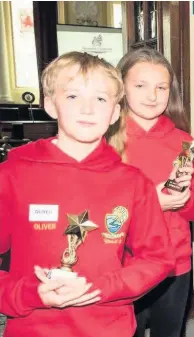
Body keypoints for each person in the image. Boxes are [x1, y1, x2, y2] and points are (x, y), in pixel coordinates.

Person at [0, 51, 173, 337]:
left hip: (109, 328)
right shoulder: (12, 176)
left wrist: (99, 288)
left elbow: (157, 259)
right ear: (50, 104)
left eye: (101, 99)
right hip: (34, 329)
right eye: (72, 97)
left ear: (116, 112)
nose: (87, 109)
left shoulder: (133, 182)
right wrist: (29, 293)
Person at [106, 48, 194, 337]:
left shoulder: (185, 142)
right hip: (120, 265)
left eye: (161, 87)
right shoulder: (103, 139)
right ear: (121, 86)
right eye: (140, 85)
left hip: (174, 266)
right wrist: (151, 201)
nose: (152, 96)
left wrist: (183, 200)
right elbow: (93, 210)